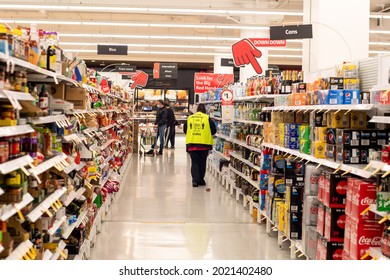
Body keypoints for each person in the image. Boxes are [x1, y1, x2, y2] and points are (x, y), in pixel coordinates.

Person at [183, 104, 216, 187]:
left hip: (192, 143)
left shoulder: (190, 118)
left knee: (194, 162)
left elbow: (185, 130)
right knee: (202, 162)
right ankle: (201, 180)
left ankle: (195, 180)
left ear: (197, 110)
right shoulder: (207, 118)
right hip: (204, 144)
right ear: (205, 110)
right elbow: (214, 130)